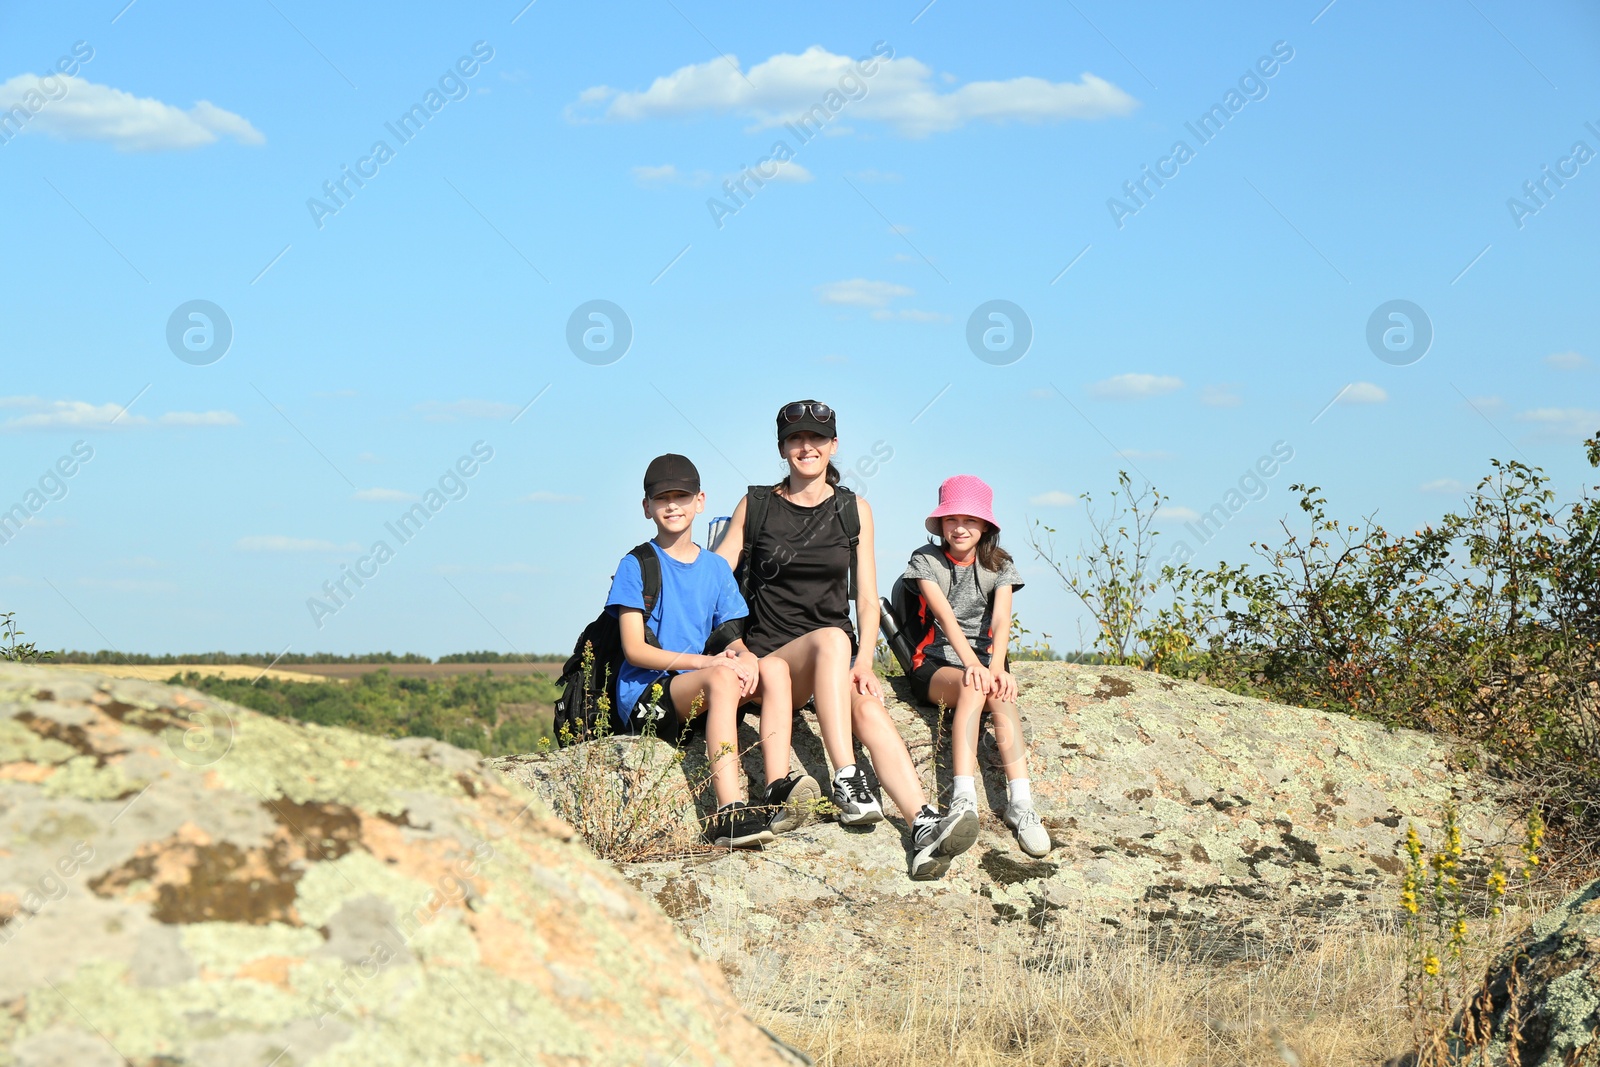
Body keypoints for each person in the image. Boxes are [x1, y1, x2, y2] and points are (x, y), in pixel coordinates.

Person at [715, 401, 978, 880]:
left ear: (833, 445)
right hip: (776, 663)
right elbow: (714, 578)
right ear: (781, 448)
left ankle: (921, 824)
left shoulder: (852, 510)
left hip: (833, 661)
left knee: (867, 703)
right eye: (795, 439)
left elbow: (868, 597)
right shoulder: (757, 505)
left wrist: (864, 662)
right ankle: (845, 777)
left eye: (816, 438)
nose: (806, 447)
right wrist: (734, 645)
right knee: (834, 640)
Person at [606, 453, 819, 848]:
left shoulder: (716, 568)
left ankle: (775, 788)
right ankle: (728, 812)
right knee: (722, 677)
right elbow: (635, 650)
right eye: (662, 498)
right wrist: (708, 663)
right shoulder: (636, 565)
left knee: (773, 668)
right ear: (647, 507)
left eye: (682, 496)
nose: (672, 505)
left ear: (700, 501)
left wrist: (748, 657)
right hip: (647, 697)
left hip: (699, 684)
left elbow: (730, 637)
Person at [901, 475, 1050, 857]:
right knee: (974, 686)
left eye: (970, 519)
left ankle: (1022, 804)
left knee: (1001, 697)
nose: (960, 527)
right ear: (940, 524)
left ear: (985, 525)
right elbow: (945, 617)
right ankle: (963, 799)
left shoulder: (1001, 565)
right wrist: (974, 666)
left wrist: (997, 667)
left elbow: (1001, 620)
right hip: (936, 664)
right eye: (951, 519)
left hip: (986, 662)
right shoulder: (925, 560)